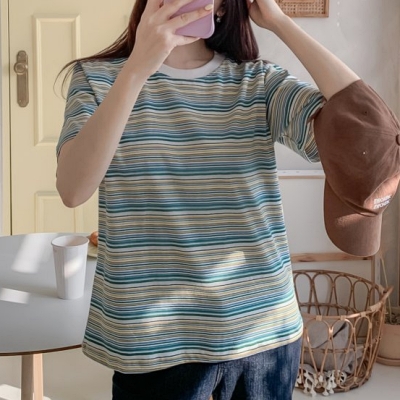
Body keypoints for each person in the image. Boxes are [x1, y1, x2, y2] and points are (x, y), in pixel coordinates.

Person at [56, 0, 360, 398]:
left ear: (220, 7)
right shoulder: (96, 79)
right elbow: (73, 189)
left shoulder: (258, 83)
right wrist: (137, 68)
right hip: (153, 342)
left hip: (262, 334)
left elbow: (364, 133)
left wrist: (279, 21)